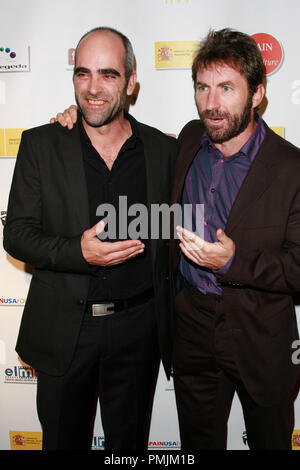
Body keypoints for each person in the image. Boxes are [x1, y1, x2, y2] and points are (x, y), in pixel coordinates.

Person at [3, 26, 178, 450]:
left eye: (108, 74)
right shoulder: (42, 144)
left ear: (132, 81)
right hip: (65, 328)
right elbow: (17, 235)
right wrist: (76, 252)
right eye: (83, 74)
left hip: (139, 331)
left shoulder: (163, 151)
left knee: (129, 448)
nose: (93, 88)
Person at [170, 28, 300, 450]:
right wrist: (73, 119)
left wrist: (232, 262)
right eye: (203, 87)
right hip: (192, 325)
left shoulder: (290, 167)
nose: (211, 103)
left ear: (257, 93)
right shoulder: (189, 139)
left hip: (260, 334)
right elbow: (126, 137)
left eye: (226, 88)